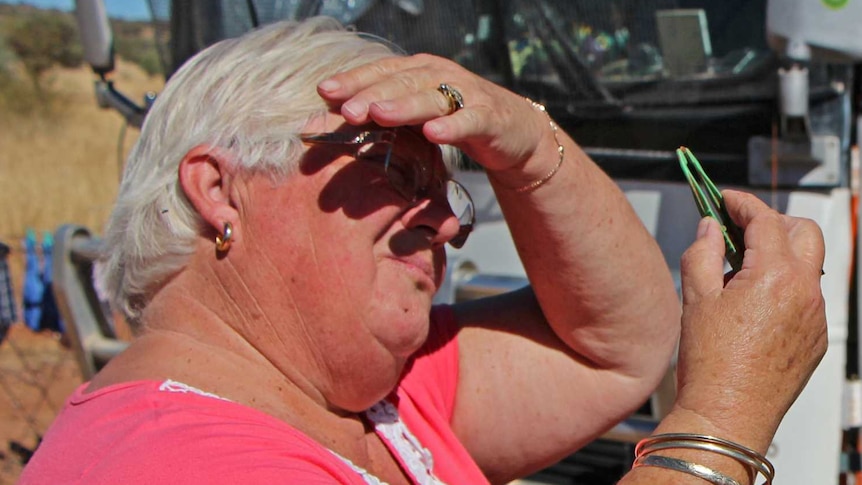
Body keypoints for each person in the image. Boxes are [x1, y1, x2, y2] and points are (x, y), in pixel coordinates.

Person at [20, 17, 826, 485]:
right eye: (392, 166)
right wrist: (721, 417)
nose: (446, 219)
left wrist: (524, 139)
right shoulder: (167, 464)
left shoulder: (371, 396)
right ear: (219, 188)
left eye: (450, 188)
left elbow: (621, 344)